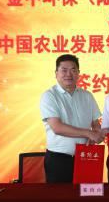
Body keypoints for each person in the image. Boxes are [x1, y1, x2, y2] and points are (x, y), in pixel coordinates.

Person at [40, 54, 104, 183]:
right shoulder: (49, 96)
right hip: (59, 160)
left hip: (87, 157)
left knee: (89, 193)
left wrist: (96, 134)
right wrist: (88, 133)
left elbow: (95, 123)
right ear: (56, 73)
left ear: (78, 73)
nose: (69, 74)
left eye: (73, 70)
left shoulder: (87, 95)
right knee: (62, 195)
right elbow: (57, 128)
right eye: (64, 70)